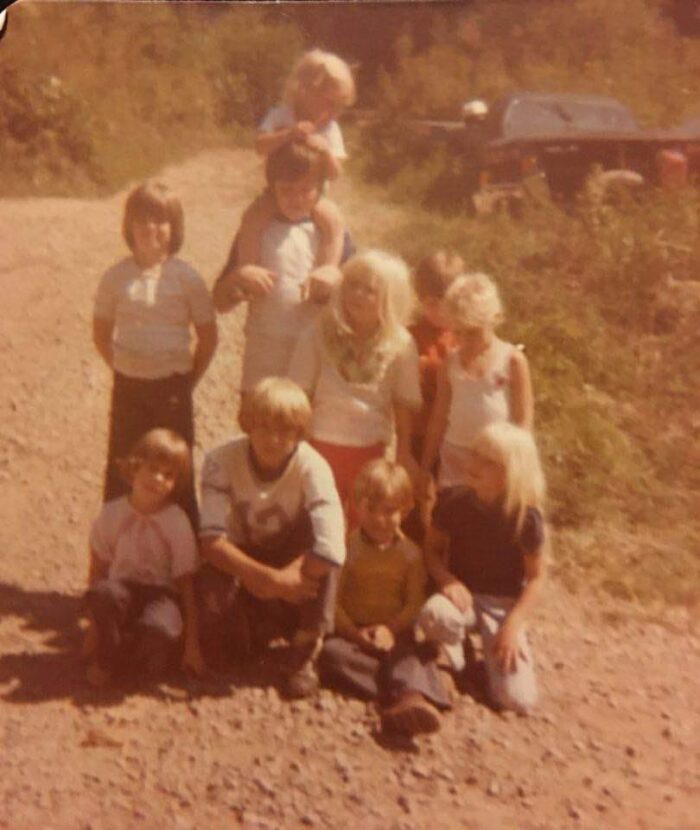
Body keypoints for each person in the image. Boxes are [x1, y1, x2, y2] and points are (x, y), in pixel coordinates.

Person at [197, 377, 346, 698]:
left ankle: (305, 651)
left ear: (300, 432)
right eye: (263, 427)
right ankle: (239, 630)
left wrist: (289, 574)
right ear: (247, 422)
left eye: (285, 430)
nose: (273, 439)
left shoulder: (314, 465)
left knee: (323, 550)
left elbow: (333, 547)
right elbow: (210, 541)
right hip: (241, 554)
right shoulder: (219, 460)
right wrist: (271, 581)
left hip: (290, 554)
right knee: (226, 634)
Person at [92, 180, 217, 529]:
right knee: (124, 467)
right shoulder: (116, 277)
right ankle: (115, 559)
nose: (150, 229)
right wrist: (125, 367)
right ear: (129, 226)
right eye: (142, 220)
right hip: (129, 387)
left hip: (172, 390)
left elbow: (208, 338)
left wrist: (188, 379)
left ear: (174, 228)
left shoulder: (186, 278)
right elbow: (101, 332)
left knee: (173, 469)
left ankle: (181, 566)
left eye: (160, 221)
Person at [418, 422, 547, 714]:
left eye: (488, 461)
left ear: (510, 473)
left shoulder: (525, 519)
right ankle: (453, 658)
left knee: (518, 701)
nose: (473, 463)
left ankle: (485, 664)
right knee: (434, 614)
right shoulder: (452, 501)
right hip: (462, 595)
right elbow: (432, 550)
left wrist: (513, 625)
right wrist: (446, 579)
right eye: (475, 454)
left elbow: (536, 578)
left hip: (501, 606)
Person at [319, 459, 452, 736]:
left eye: (390, 511)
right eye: (371, 509)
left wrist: (390, 630)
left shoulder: (410, 554)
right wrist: (356, 635)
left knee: (411, 652)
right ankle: (411, 693)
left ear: (406, 511)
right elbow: (334, 601)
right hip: (353, 633)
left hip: (394, 634)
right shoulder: (346, 548)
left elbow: (414, 602)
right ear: (356, 506)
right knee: (331, 655)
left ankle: (406, 694)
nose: (380, 519)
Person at [288, 249, 422, 520]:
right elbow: (300, 395)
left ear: (390, 298)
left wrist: (404, 455)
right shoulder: (318, 333)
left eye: (369, 290)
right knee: (317, 517)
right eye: (352, 285)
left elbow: (402, 406)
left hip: (369, 449)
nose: (357, 294)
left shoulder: (400, 344)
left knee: (361, 519)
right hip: (319, 444)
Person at [213, 141, 351, 394]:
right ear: (271, 187)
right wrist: (239, 278)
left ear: (321, 189)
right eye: (286, 189)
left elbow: (358, 299)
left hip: (314, 351)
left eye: (306, 189)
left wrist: (335, 280)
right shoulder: (257, 228)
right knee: (258, 420)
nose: (296, 199)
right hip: (265, 351)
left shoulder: (330, 232)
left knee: (305, 424)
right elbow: (220, 301)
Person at [83, 429, 204, 688]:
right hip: (122, 589)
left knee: (162, 629)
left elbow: (185, 584)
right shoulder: (112, 514)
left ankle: (134, 654)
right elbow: (98, 568)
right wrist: (92, 631)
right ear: (134, 467)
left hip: (160, 594)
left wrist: (192, 645)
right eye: (152, 469)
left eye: (168, 475)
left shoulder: (176, 520)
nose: (158, 479)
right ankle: (107, 656)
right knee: (104, 594)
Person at [237, 48, 356, 269]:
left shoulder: (330, 129)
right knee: (253, 218)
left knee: (333, 222)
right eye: (329, 103)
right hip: (278, 192)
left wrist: (325, 151)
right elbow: (260, 146)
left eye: (339, 107)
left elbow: (335, 173)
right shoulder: (281, 115)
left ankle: (326, 271)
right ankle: (248, 269)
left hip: (314, 197)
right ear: (304, 90)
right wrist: (288, 134)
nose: (333, 112)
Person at [419, 272, 533, 492]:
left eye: (472, 333)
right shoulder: (450, 363)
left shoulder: (512, 361)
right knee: (454, 514)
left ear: (495, 318)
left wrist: (516, 466)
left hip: (495, 459)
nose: (464, 341)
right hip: (455, 453)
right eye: (458, 333)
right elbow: (439, 417)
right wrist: (426, 465)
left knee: (490, 516)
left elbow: (523, 422)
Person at [404, 250, 464, 541]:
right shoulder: (410, 338)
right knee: (417, 505)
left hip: (457, 437)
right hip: (420, 434)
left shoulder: (467, 337)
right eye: (431, 303)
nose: (439, 311)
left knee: (452, 507)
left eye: (447, 304)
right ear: (420, 299)